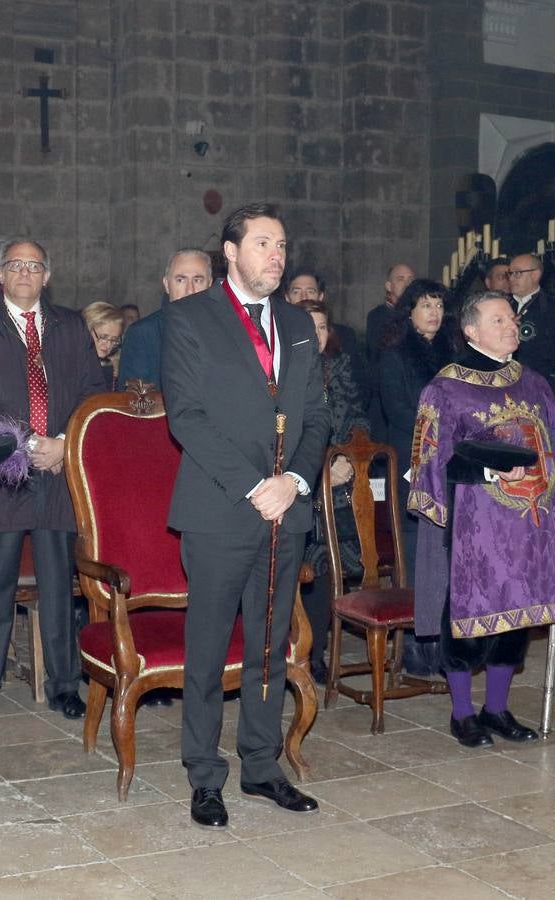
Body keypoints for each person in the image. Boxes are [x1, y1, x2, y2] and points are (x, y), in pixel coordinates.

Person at [162, 202, 331, 827]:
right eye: (263, 243)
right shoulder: (189, 319)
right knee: (207, 650)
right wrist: (254, 484)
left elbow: (316, 416)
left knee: (269, 645)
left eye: (282, 243)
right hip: (219, 508)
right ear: (229, 253)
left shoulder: (298, 324)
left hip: (286, 508)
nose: (277, 254)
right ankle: (204, 775)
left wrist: (293, 480)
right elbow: (187, 417)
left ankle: (261, 766)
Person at [409, 290, 555, 748]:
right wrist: (488, 469)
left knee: (517, 620)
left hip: (529, 525)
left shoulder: (535, 384)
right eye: (500, 319)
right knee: (464, 622)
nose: (512, 326)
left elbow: (550, 461)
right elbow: (432, 462)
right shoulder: (444, 389)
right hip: (473, 530)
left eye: (512, 319)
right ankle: (463, 712)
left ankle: (498, 709)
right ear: (471, 330)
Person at [0, 238, 104, 724]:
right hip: (0, 471)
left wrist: (62, 442)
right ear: (0, 274)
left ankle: (63, 683)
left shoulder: (71, 325)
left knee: (61, 584)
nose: (24, 273)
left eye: (34, 266)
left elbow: (92, 390)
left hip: (58, 470)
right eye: (15, 265)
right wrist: (20, 444)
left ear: (47, 275)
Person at [377, 279, 455, 675]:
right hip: (412, 466)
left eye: (439, 305)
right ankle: (414, 647)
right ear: (409, 312)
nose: (434, 313)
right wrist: (435, 441)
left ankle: (442, 645)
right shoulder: (394, 357)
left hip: (448, 467)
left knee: (443, 557)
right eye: (426, 305)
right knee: (414, 557)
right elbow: (400, 414)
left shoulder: (452, 355)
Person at [298, 299, 368, 684]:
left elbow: (359, 418)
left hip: (339, 488)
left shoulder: (340, 368)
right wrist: (323, 463)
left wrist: (347, 459)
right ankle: (296, 650)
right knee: (303, 568)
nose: (317, 335)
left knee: (328, 571)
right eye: (309, 327)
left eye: (323, 327)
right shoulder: (282, 371)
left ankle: (318, 654)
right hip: (298, 489)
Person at [117, 248, 212, 389]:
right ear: (167, 285)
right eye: (180, 280)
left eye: (197, 280)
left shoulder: (227, 330)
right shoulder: (143, 333)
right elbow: (133, 401)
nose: (190, 290)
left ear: (209, 284)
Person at [284, 268, 369, 406]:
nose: (304, 297)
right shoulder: (278, 336)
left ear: (321, 296)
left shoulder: (344, 337)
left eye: (310, 291)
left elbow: (360, 390)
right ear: (287, 298)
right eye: (296, 291)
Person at [508, 253, 555, 379]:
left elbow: (552, 352)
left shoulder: (552, 309)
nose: (512, 278)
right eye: (510, 273)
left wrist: (516, 336)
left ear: (535, 275)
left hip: (535, 379)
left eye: (518, 273)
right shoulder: (502, 305)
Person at [366, 262, 415, 367]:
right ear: (389, 286)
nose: (407, 284)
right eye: (401, 279)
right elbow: (378, 356)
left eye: (410, 280)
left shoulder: (419, 313)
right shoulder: (377, 316)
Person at [81, 300, 125, 390]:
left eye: (114, 340)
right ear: (86, 330)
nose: (108, 344)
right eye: (103, 337)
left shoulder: (110, 369)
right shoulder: (69, 364)